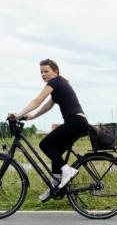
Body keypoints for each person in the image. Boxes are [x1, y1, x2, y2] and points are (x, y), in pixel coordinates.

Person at [10, 59, 90, 199]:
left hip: (75, 122)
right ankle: (56, 185)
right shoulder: (59, 85)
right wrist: (31, 116)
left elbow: (37, 101)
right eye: (41, 72)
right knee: (55, 152)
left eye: (46, 71)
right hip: (79, 123)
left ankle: (67, 171)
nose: (43, 74)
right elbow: (47, 106)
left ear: (56, 71)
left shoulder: (54, 83)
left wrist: (18, 114)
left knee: (44, 144)